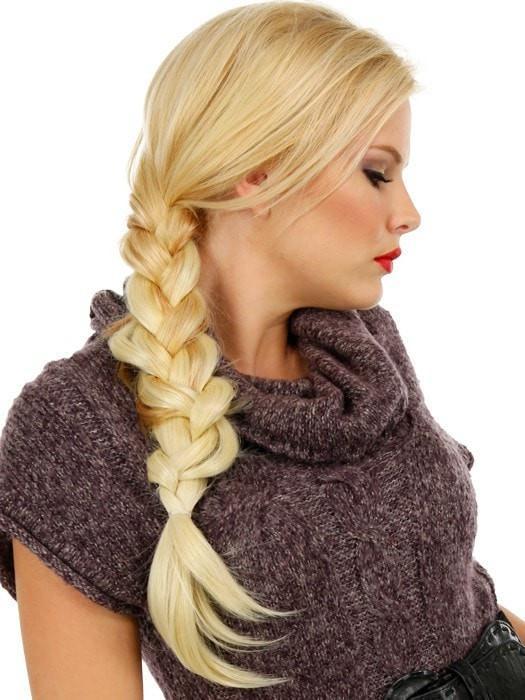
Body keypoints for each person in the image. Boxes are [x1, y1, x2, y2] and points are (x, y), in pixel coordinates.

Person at [1, 2, 523, 698]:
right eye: (376, 173)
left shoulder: (361, 346)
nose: (408, 214)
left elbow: (461, 611)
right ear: (258, 172)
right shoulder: (82, 425)